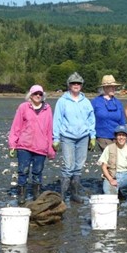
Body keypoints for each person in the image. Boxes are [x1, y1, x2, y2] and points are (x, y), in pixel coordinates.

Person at [53, 72, 96, 203]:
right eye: (73, 83)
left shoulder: (86, 102)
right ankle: (62, 196)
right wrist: (55, 138)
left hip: (83, 137)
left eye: (78, 83)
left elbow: (91, 119)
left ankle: (74, 194)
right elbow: (57, 120)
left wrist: (92, 136)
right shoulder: (62, 101)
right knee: (68, 166)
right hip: (67, 137)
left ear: (81, 85)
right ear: (69, 85)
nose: (76, 85)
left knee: (79, 166)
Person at [8, 85, 55, 205]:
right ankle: (21, 195)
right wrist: (12, 144)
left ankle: (36, 195)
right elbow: (16, 126)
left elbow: (50, 129)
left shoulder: (47, 108)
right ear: (30, 95)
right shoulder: (23, 107)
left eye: (40, 94)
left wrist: (51, 149)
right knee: (23, 171)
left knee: (37, 172)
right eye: (35, 94)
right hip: (24, 145)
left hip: (41, 147)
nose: (38, 96)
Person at [98, 125, 127, 205]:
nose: (121, 137)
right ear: (116, 136)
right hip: (112, 176)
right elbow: (103, 166)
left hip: (125, 176)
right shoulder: (109, 148)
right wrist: (110, 179)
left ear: (126, 137)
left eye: (123, 135)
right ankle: (116, 192)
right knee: (110, 199)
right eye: (119, 135)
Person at [91, 75, 126, 151]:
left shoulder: (118, 103)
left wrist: (123, 135)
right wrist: (91, 136)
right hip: (102, 135)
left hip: (117, 136)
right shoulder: (96, 102)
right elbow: (89, 120)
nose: (113, 88)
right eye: (111, 86)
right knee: (110, 156)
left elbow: (122, 121)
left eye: (114, 87)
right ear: (105, 88)